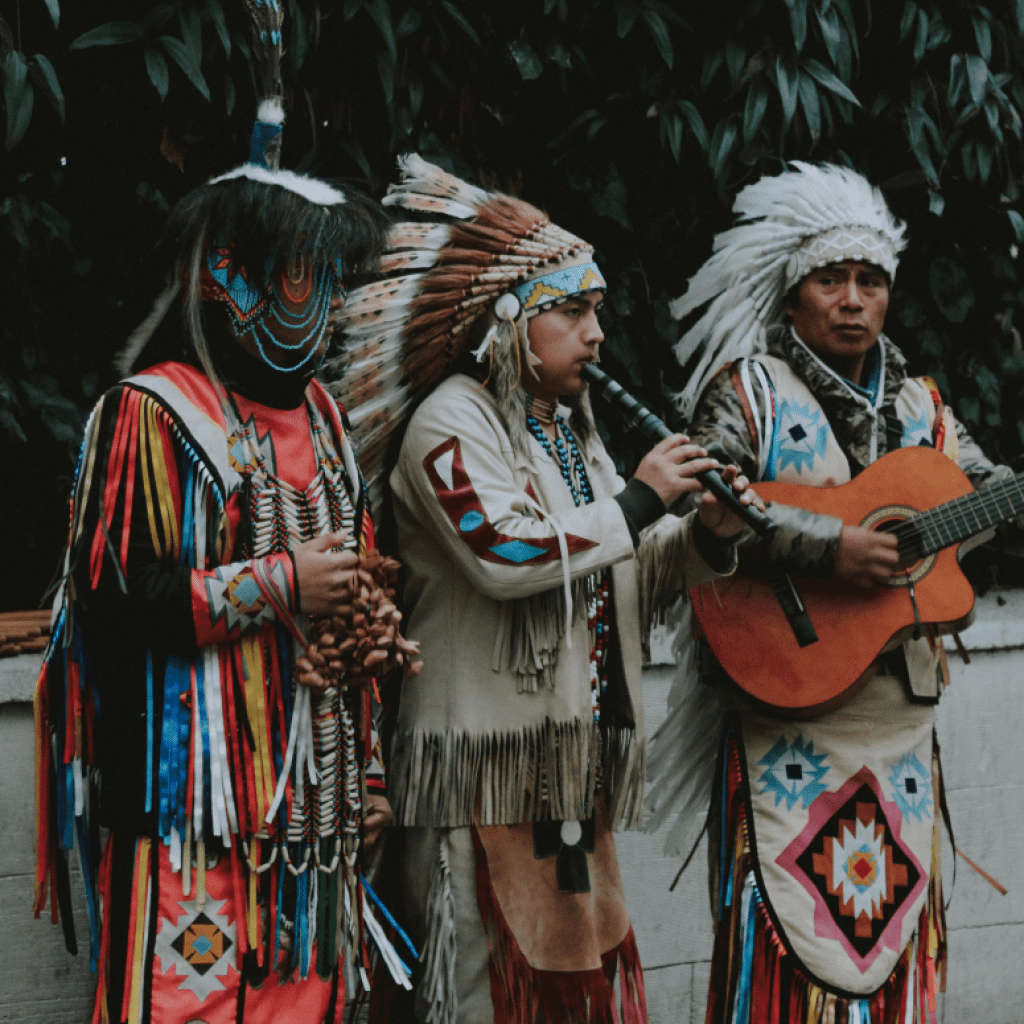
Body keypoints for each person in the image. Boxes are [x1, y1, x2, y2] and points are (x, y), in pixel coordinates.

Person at [324, 155, 759, 1024]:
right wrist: (638, 499)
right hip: (478, 778)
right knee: (482, 1002)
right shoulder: (450, 420)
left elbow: (629, 564)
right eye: (572, 310)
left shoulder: (573, 434)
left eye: (597, 310)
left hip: (566, 775)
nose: (597, 333)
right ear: (507, 322)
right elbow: (507, 555)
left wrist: (708, 531)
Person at [32, 98, 417, 1024]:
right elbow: (115, 599)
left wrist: (365, 779)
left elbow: (358, 620)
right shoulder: (154, 413)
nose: (319, 300)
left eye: (330, 276)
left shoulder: (326, 420)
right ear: (226, 282)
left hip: (309, 822)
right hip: (191, 813)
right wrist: (278, 583)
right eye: (297, 275)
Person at [652, 162, 1014, 1022]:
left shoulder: (925, 410)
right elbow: (711, 502)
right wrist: (829, 548)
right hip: (788, 715)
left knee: (890, 942)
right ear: (793, 293)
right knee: (788, 945)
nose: (852, 298)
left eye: (871, 280)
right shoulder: (748, 396)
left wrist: (960, 527)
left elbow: (983, 495)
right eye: (831, 279)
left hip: (899, 730)